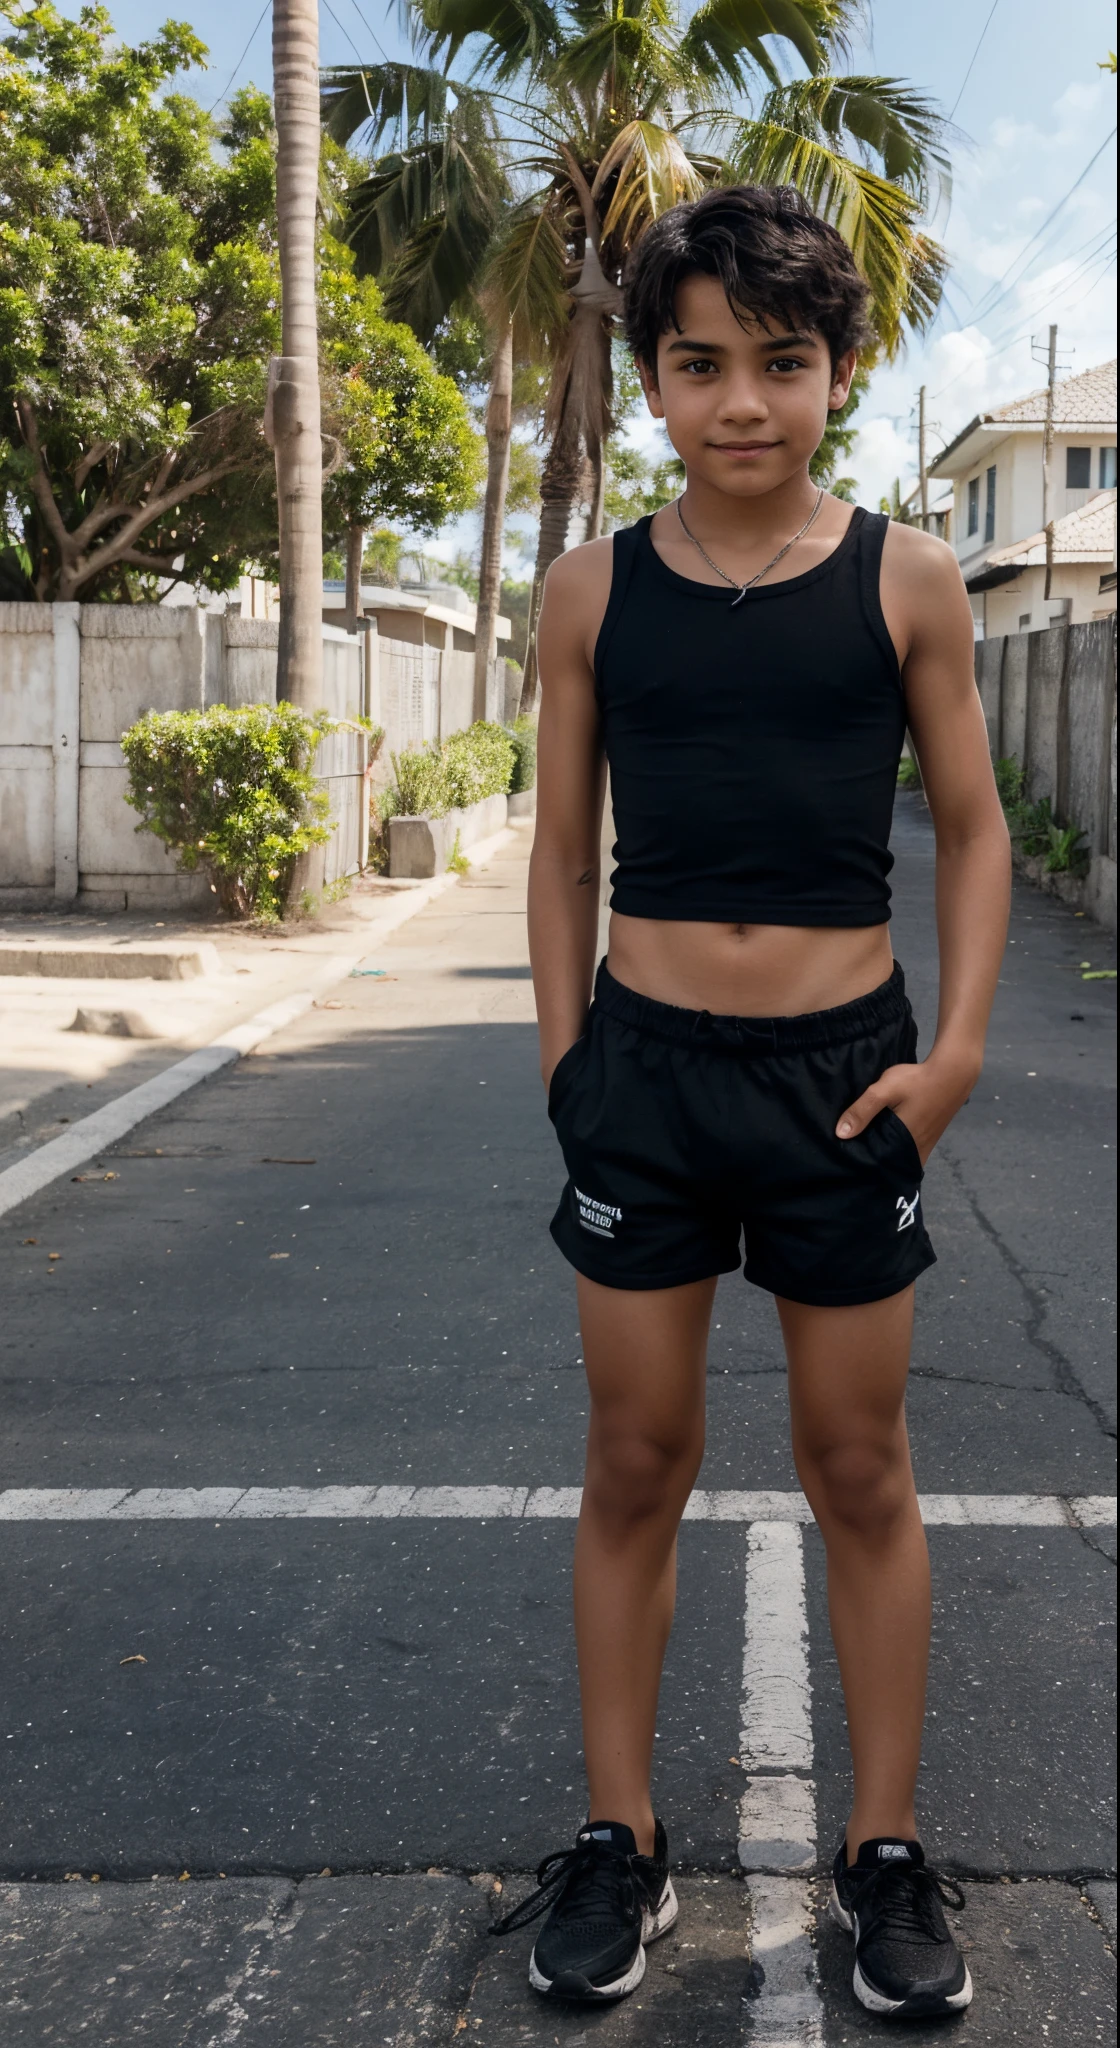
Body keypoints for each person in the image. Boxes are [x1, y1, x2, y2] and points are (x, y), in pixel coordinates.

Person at [492, 184, 1010, 2020]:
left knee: (859, 1465)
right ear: (650, 379)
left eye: (780, 367)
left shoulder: (908, 578)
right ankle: (619, 1842)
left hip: (840, 1081)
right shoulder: (589, 588)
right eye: (699, 365)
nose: (741, 406)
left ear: (835, 374)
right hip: (644, 1072)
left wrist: (947, 1059)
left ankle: (883, 1852)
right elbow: (559, 854)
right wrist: (570, 1060)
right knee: (635, 1458)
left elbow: (968, 825)